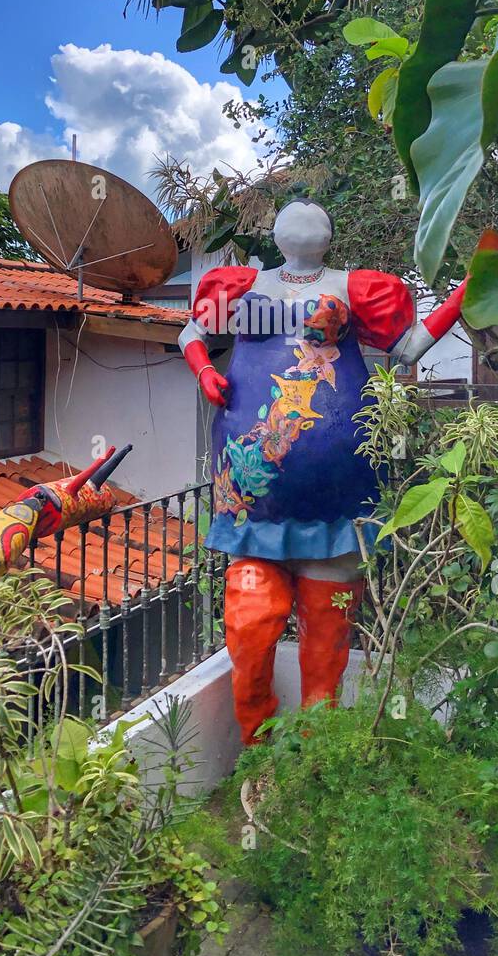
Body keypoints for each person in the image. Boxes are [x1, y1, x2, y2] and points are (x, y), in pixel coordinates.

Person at [178, 199, 481, 744]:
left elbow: (408, 348)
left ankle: (316, 760)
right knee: (250, 626)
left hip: (338, 500)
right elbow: (190, 334)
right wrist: (204, 372)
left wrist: (462, 293)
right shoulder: (241, 285)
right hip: (253, 500)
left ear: (328, 234)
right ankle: (258, 746)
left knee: (328, 635)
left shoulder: (356, 287)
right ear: (275, 232)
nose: (303, 223)